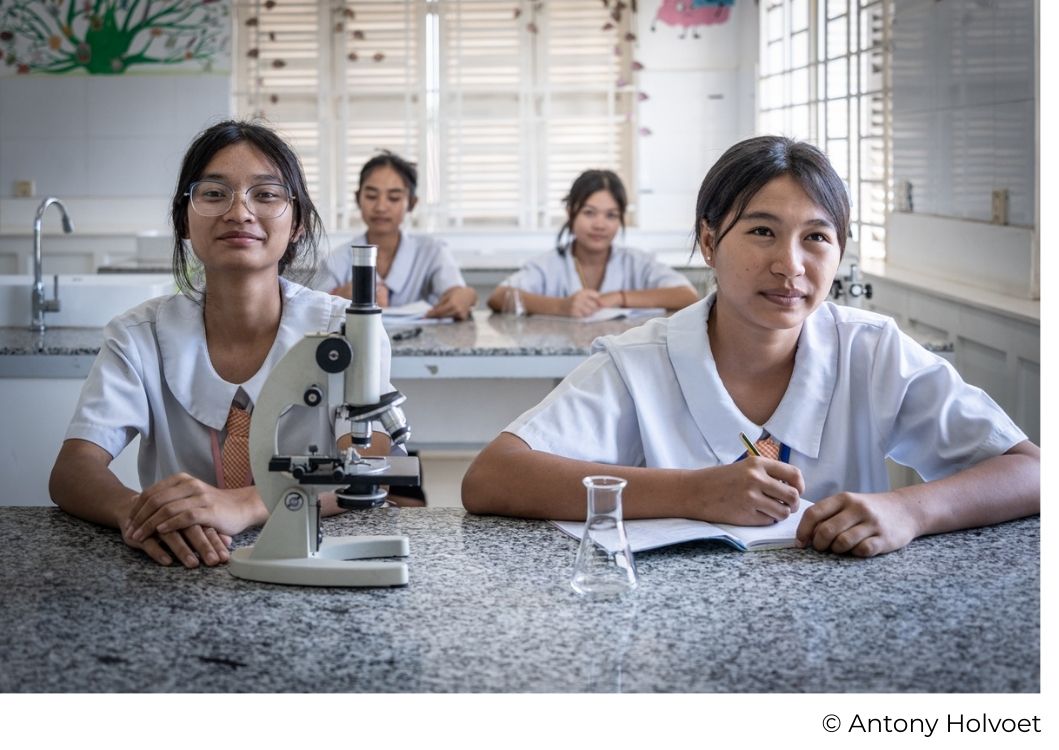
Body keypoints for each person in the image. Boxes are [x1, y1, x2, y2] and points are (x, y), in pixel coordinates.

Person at [463, 136, 1040, 557]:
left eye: (816, 237)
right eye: (762, 231)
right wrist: (693, 492)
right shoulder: (639, 362)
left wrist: (909, 509)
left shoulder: (872, 351)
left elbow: (1031, 471)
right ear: (709, 241)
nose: (790, 265)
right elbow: (491, 478)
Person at [50, 120, 398, 568]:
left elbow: (370, 463)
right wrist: (142, 515)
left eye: (266, 195)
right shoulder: (137, 336)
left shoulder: (346, 330)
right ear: (184, 219)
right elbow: (73, 469)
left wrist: (246, 504)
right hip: (179, 566)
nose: (240, 212)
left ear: (297, 223)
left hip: (315, 558)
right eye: (215, 194)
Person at [486, 169, 699, 317]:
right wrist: (561, 307)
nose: (599, 225)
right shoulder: (549, 264)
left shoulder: (636, 262)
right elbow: (498, 297)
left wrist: (620, 298)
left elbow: (687, 296)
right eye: (589, 213)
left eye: (611, 215)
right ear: (570, 212)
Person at [314, 150, 477, 320]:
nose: (381, 207)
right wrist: (339, 296)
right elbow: (313, 310)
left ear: (411, 203)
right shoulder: (337, 260)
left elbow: (457, 293)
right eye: (371, 196)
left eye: (393, 198)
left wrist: (465, 296)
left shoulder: (432, 252)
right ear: (357, 199)